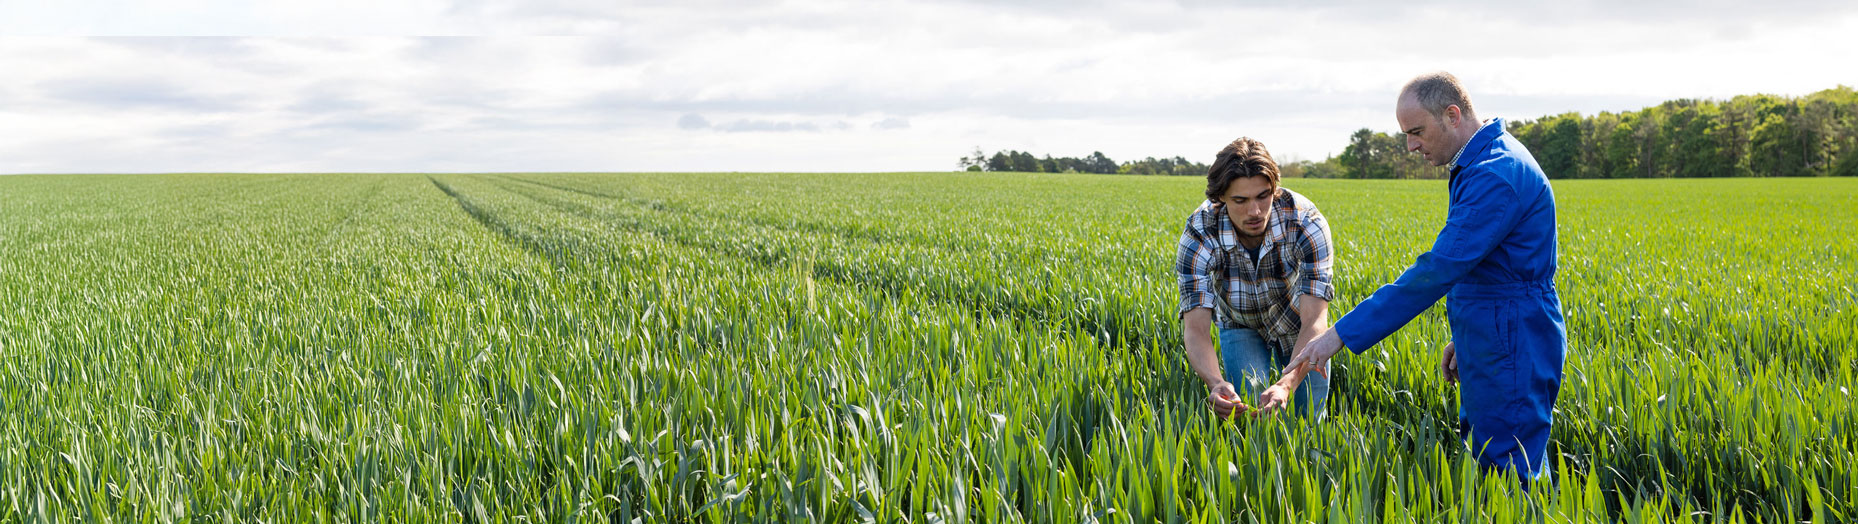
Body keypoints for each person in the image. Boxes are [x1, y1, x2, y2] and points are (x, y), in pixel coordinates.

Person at [1285, 72, 1566, 480]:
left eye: (1416, 132)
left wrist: (1338, 334)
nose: (1410, 145)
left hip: (1512, 337)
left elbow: (1438, 270)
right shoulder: (1484, 161)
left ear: (1452, 115)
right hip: (1497, 332)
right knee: (1487, 458)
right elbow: (1490, 268)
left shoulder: (1496, 173)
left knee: (1507, 469)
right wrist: (1469, 335)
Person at [1177, 137, 1336, 420]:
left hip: (1298, 323)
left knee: (1308, 417)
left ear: (1274, 190)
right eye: (1240, 200)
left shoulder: (1305, 221)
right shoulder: (1200, 231)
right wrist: (1215, 382)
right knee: (1252, 413)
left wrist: (1287, 384)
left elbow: (1315, 320)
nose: (1255, 211)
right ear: (1220, 198)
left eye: (1263, 196)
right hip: (1239, 323)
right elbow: (1196, 328)